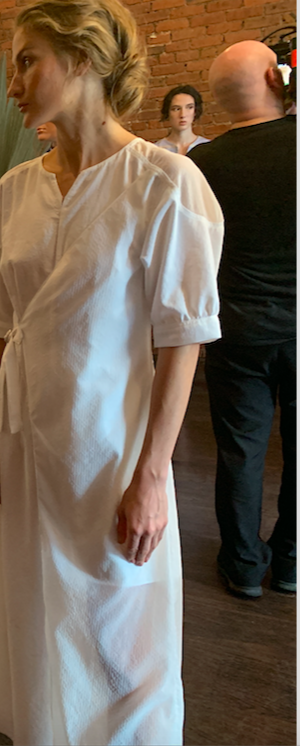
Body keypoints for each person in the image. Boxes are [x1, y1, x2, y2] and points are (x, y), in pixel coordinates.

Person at [0, 0, 223, 743]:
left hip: (110, 446)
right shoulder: (14, 190)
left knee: (122, 624)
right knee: (39, 612)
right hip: (23, 441)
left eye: (26, 60)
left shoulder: (163, 182)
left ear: (81, 60)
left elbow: (182, 339)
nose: (12, 83)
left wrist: (153, 475)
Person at [188, 41, 296, 599]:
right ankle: (292, 561)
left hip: (234, 329)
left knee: (240, 450)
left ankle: (244, 566)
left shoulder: (201, 164)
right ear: (276, 80)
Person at [154, 85, 210, 155]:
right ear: (168, 112)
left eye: (189, 107)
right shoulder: (156, 151)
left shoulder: (208, 148)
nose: (182, 115)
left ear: (195, 111)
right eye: (176, 109)